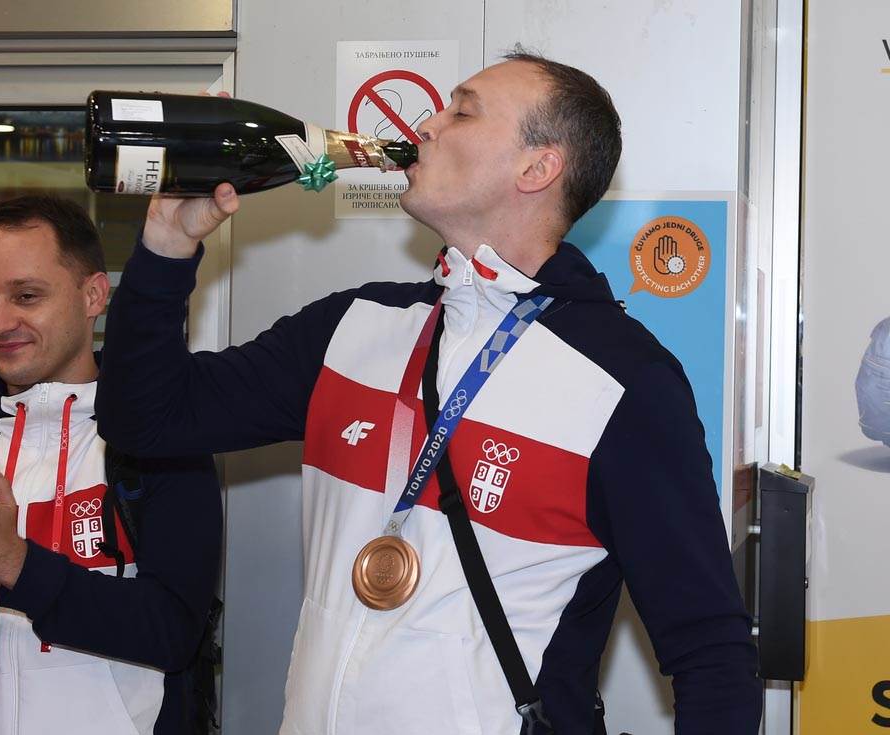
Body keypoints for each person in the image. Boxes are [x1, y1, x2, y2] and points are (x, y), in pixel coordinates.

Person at [96, 52, 762, 734]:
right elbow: (144, 418)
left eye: (462, 110)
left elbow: (711, 653)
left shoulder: (623, 382)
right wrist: (167, 244)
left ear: (538, 168)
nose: (429, 123)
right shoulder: (356, 327)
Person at [0, 195, 222, 735]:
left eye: (27, 296)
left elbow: (172, 631)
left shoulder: (159, 440)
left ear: (93, 295)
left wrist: (14, 564)